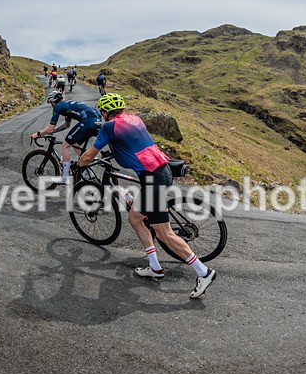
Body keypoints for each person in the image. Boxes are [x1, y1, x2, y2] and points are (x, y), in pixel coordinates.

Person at [76, 93, 217, 299]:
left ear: (104, 112)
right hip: (162, 170)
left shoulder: (109, 126)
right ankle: (155, 266)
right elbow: (133, 144)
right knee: (135, 218)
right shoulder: (135, 119)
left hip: (152, 179)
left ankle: (203, 272)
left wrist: (78, 165)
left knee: (164, 234)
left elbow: (89, 155)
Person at [30, 91, 102, 181]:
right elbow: (66, 125)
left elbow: (50, 128)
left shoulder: (58, 106)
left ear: (53, 102)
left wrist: (37, 134)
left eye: (50, 103)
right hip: (97, 122)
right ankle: (89, 172)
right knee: (75, 144)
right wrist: (54, 131)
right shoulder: (66, 106)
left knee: (65, 145)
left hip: (87, 122)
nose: (51, 105)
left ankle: (65, 176)